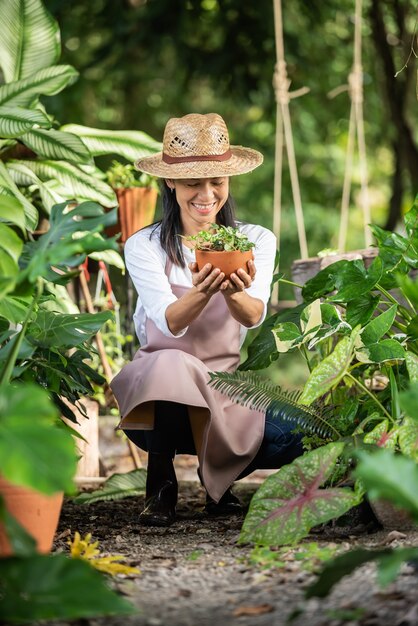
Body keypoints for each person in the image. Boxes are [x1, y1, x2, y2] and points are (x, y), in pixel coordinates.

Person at [111, 113, 303, 527]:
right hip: (160, 402)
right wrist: (201, 289)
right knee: (171, 362)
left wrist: (233, 288)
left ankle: (218, 478)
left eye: (216, 181)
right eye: (193, 182)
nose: (207, 193)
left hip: (223, 388)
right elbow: (169, 325)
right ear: (170, 183)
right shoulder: (144, 245)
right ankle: (160, 484)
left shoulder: (255, 240)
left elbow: (253, 317)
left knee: (298, 433)